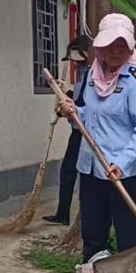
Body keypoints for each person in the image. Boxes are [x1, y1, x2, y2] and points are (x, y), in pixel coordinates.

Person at [55, 13, 136, 273]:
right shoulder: (88, 77)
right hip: (92, 170)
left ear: (130, 48)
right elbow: (89, 119)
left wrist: (121, 164)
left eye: (122, 45)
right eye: (110, 43)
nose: (115, 50)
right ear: (99, 46)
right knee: (93, 236)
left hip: (124, 173)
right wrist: (73, 112)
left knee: (128, 239)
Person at [43, 34, 93, 225]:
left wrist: (66, 107)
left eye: (76, 59)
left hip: (86, 133)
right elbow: (77, 98)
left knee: (81, 174)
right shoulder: (81, 72)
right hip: (76, 131)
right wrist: (64, 94)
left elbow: (85, 104)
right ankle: (62, 213)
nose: (74, 63)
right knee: (67, 172)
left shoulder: (91, 74)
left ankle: (82, 214)